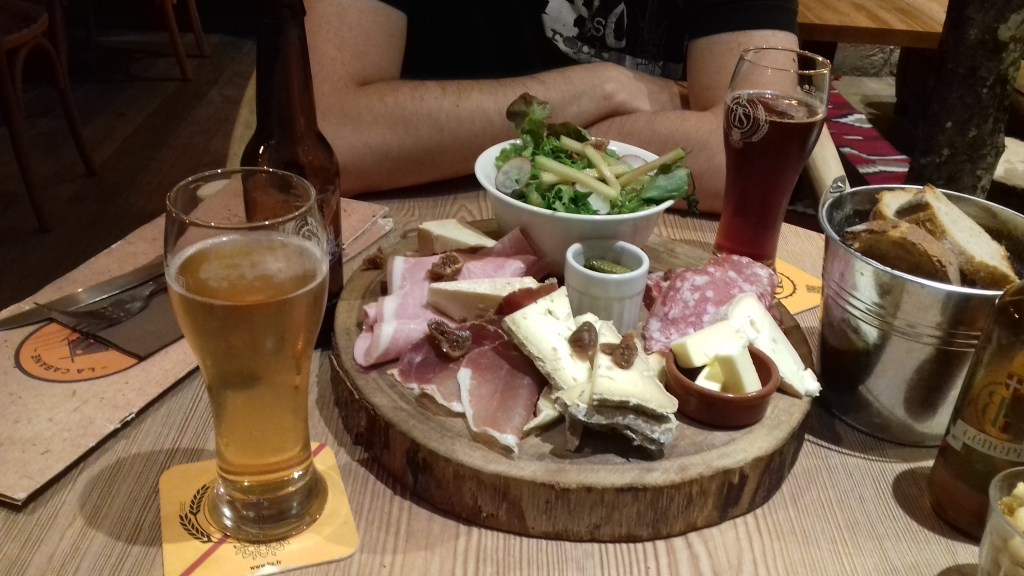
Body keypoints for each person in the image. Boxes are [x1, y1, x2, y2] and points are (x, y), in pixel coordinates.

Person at [306, 0, 822, 214]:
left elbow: (749, 160)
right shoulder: (605, 87)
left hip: (650, 244)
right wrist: (599, 87)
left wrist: (455, 131)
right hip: (426, 227)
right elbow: (330, 138)